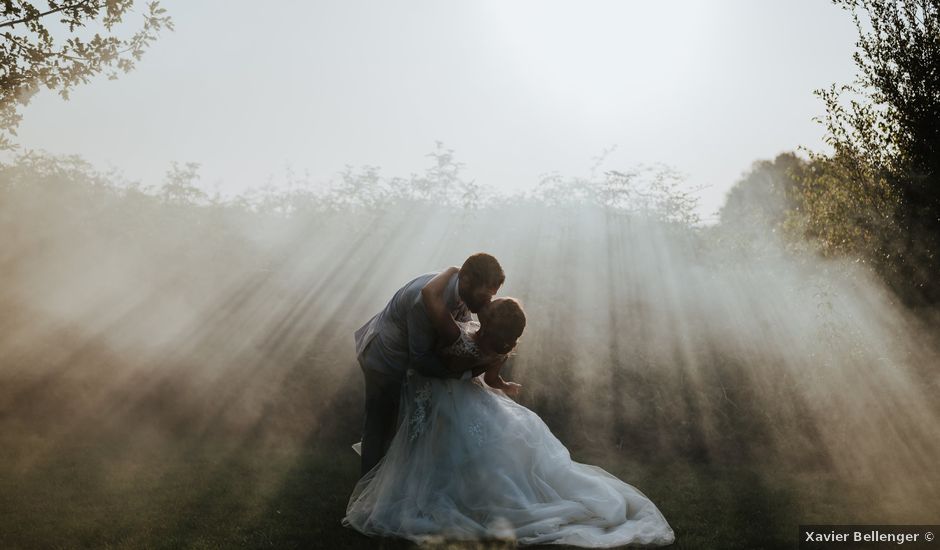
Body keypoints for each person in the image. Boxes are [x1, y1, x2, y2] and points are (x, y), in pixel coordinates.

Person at [344, 267, 676, 547]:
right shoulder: (495, 350)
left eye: (491, 302)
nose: (485, 303)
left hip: (443, 398)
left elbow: (431, 306)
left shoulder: (458, 339)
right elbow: (491, 378)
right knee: (460, 454)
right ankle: (464, 494)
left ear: (488, 325)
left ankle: (411, 496)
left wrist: (450, 272)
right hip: (467, 399)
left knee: (431, 450)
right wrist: (503, 385)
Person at [353, 253, 505, 476]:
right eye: (485, 296)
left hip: (409, 357)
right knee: (380, 423)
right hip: (384, 357)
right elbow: (421, 359)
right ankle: (365, 491)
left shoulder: (462, 291)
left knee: (404, 427)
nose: (487, 303)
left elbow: (453, 337)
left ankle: (396, 482)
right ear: (466, 280)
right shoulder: (424, 301)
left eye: (491, 297)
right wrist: (460, 374)